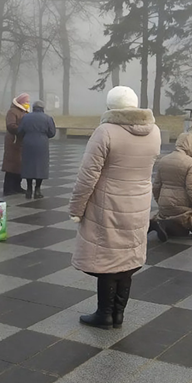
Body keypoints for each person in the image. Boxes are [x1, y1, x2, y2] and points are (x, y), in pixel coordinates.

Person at [70, 86, 161, 330]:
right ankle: (118, 314)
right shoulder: (155, 132)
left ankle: (104, 314)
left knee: (108, 259)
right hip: (139, 203)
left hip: (108, 203)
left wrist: (76, 208)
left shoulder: (105, 131)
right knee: (128, 256)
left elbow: (88, 174)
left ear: (110, 106)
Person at [149, 132, 192, 241]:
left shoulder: (164, 160)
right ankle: (173, 224)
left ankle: (159, 222)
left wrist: (160, 201)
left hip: (164, 204)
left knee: (168, 214)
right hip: (181, 207)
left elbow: (156, 185)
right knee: (188, 229)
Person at [18, 100, 56, 199]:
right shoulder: (48, 118)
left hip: (28, 143)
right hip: (41, 144)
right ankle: (38, 190)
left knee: (28, 165)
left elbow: (20, 130)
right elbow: (52, 133)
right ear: (42, 108)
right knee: (41, 166)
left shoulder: (25, 117)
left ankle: (29, 189)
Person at [2, 93, 30, 195]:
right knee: (11, 166)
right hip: (13, 142)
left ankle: (17, 186)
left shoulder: (24, 112)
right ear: (21, 102)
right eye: (26, 101)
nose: (28, 103)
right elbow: (10, 125)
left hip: (21, 142)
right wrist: (22, 130)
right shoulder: (12, 112)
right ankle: (8, 188)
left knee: (19, 165)